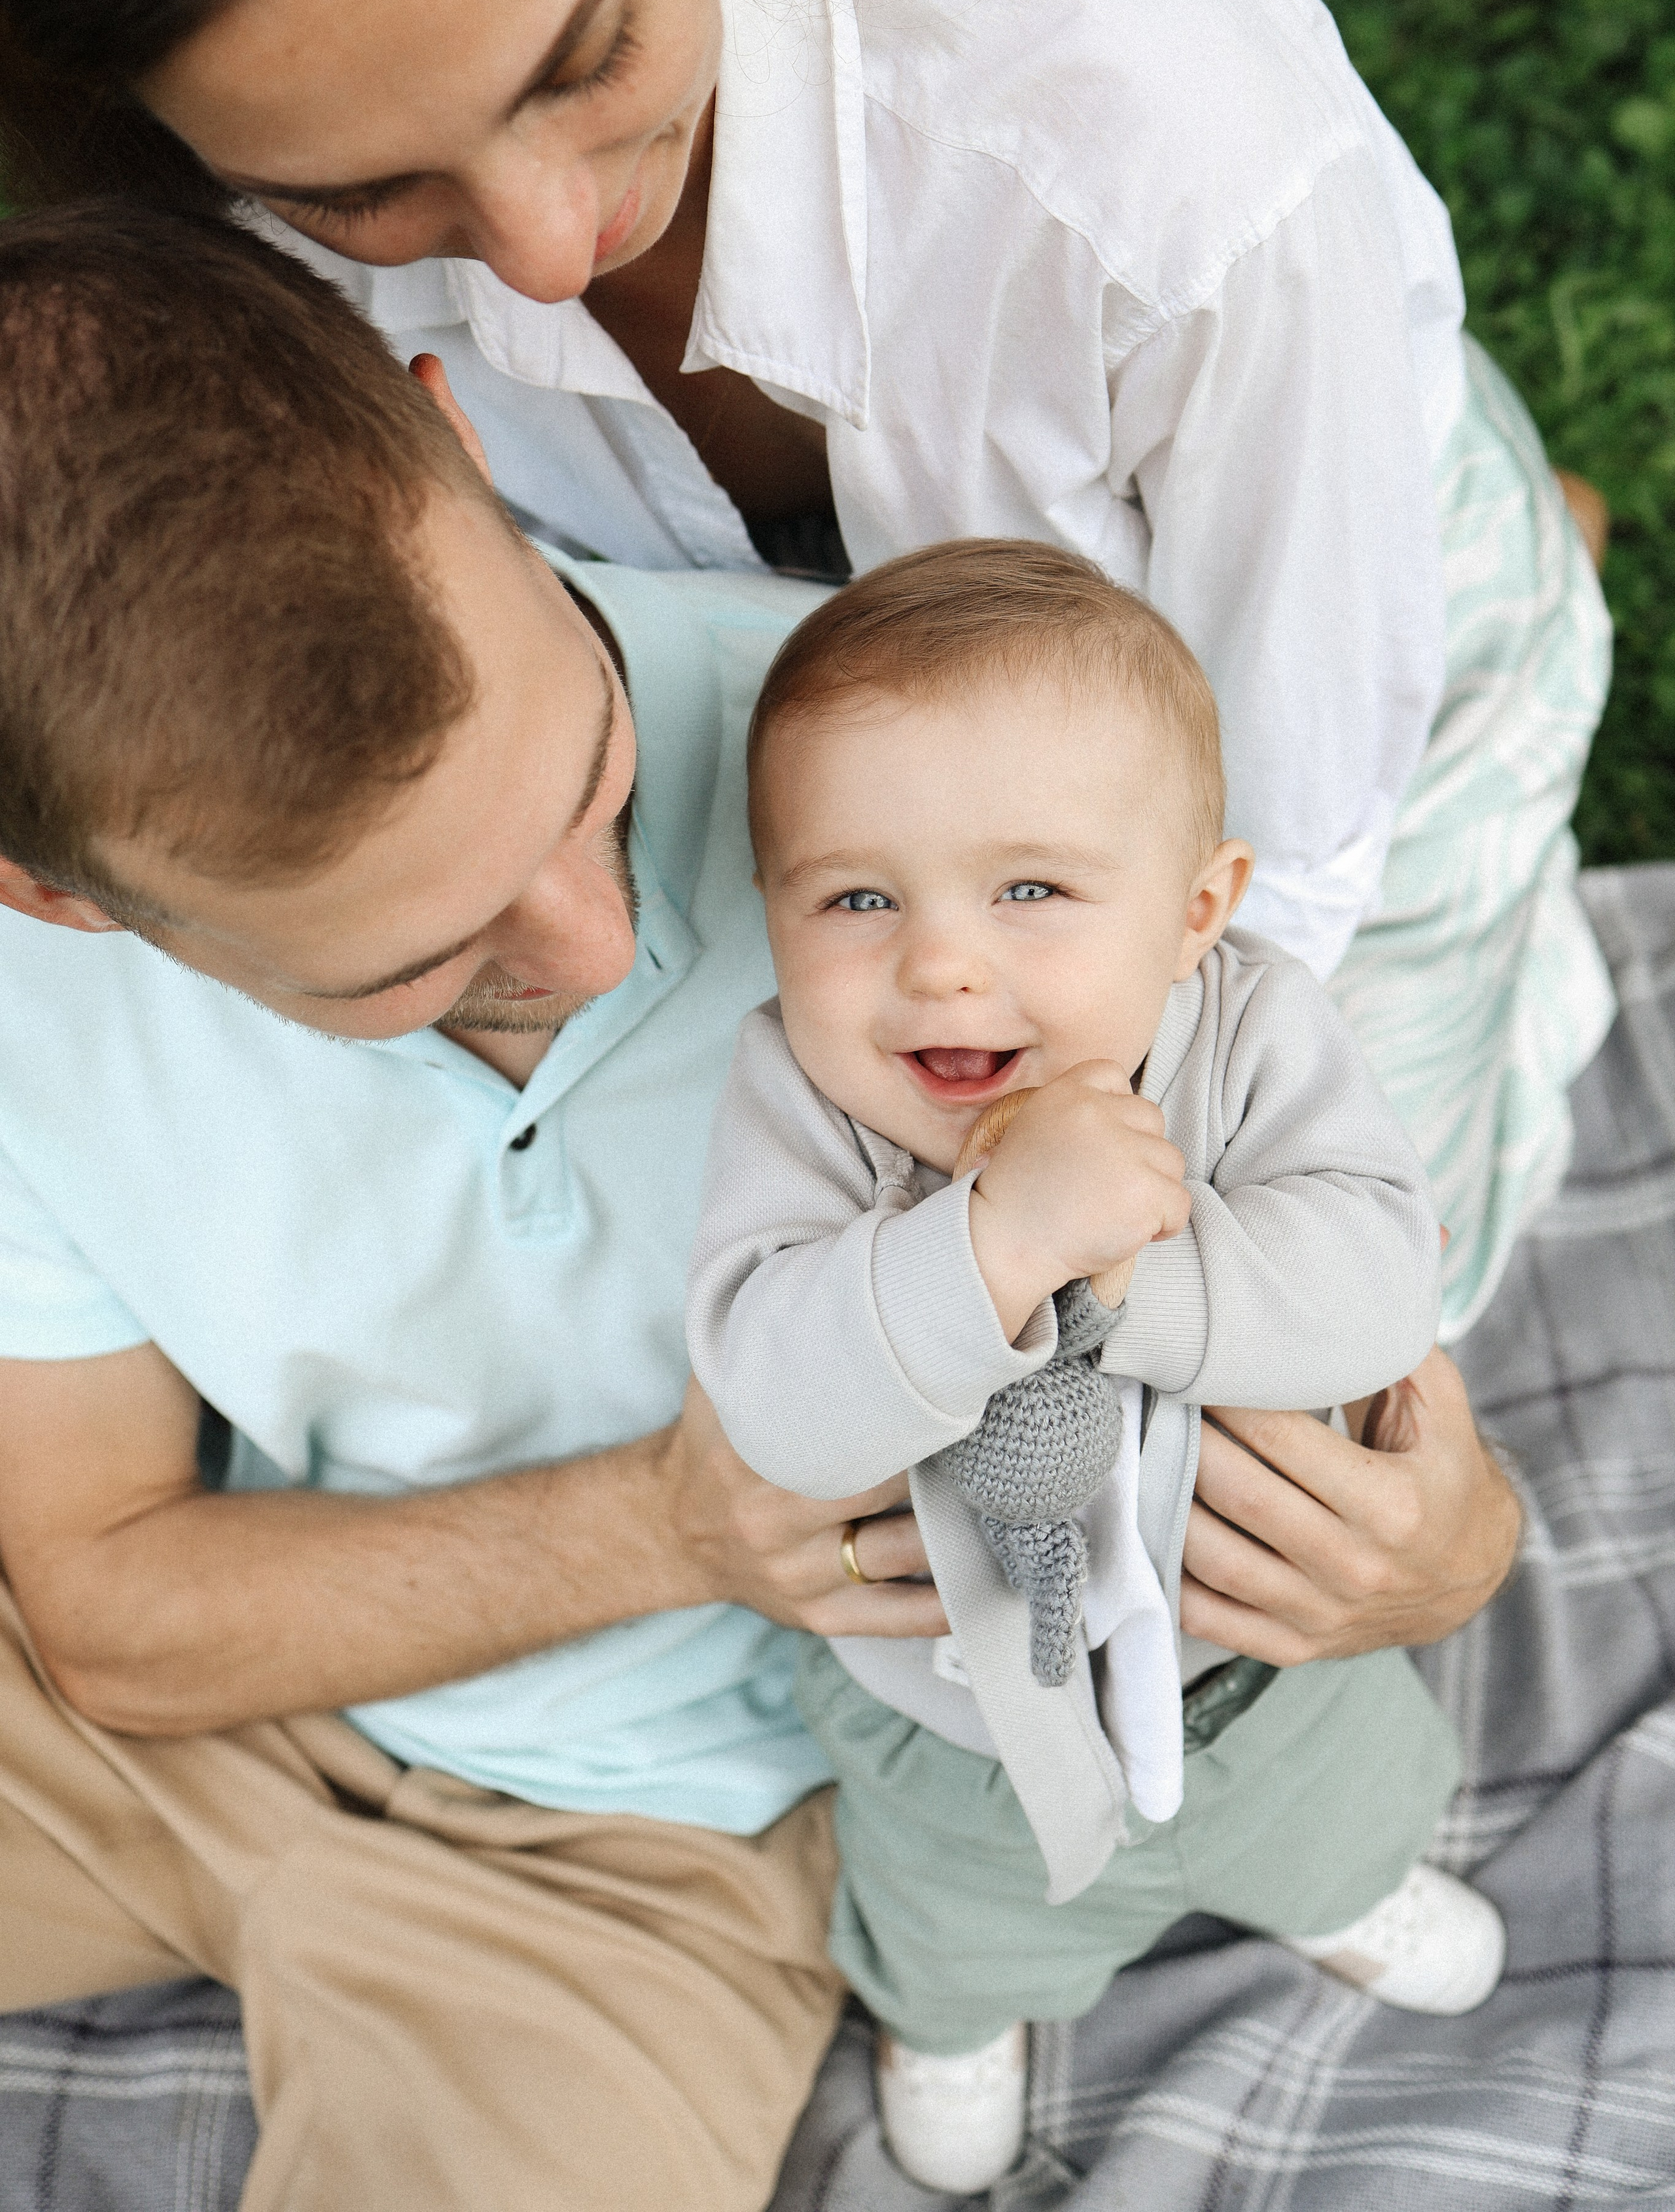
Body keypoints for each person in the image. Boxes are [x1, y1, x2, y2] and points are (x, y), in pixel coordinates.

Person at [0, 204, 1517, 2208]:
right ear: (65, 900)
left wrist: (1447, 1548)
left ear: (454, 443)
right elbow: (106, 1609)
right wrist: (668, 1521)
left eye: (595, 778)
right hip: (155, 1719)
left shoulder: (924, 813)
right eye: (409, 964)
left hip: (657, 1857)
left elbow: (1297, 1249)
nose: (607, 929)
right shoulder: (32, 997)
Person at [0, 0, 1612, 1354]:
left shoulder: (1148, 132)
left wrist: (1167, 1205)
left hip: (1291, 647)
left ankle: (1522, 601)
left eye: (584, 58)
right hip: (855, 733)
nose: (550, 252)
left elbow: (1290, 839)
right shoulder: (194, 243)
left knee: (1285, 1349)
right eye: (354, 192)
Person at [689, 543, 1503, 2191]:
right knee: (962, 1911)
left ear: (1197, 911)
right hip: (960, 1708)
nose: (937, 965)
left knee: (1334, 1817)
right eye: (853, 897)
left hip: (1264, 1658)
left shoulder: (1255, 1033)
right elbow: (772, 1397)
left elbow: (1367, 1283)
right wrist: (992, 1249)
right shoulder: (797, 1097)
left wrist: (1124, 1270)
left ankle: (1334, 1901)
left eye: (1031, 891)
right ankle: (954, 2018)